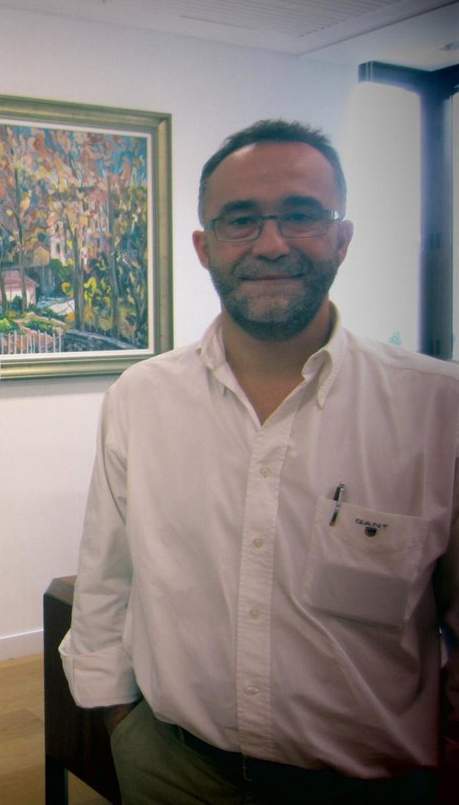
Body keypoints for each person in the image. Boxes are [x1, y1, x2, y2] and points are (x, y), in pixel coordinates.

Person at [60, 118, 458, 803]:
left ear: (342, 237)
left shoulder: (436, 409)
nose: (271, 243)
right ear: (204, 247)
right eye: (241, 220)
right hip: (173, 770)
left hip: (373, 785)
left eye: (301, 216)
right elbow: (106, 580)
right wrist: (121, 723)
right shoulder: (142, 398)